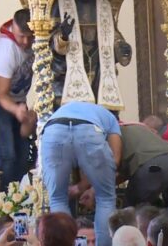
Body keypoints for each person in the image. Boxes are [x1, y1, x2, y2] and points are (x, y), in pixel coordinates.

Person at [50, 0, 132, 111]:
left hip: (97, 65)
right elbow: (50, 44)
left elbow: (113, 34)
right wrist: (63, 36)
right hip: (68, 70)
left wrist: (121, 46)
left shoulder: (103, 5)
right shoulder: (60, 4)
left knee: (102, 110)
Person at [41, 101, 122, 246]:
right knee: (105, 197)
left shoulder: (64, 109)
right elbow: (115, 161)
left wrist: (81, 186)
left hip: (53, 130)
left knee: (58, 199)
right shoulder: (111, 118)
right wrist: (90, 185)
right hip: (90, 130)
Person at [73, 122, 168, 208]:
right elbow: (123, 173)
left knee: (130, 213)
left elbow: (106, 167)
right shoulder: (133, 127)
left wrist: (78, 188)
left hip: (154, 168)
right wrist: (94, 190)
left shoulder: (109, 136)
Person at [0, 8, 36, 191]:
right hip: (0, 104)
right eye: (21, 36)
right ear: (14, 28)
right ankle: (1, 199)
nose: (25, 42)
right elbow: (1, 94)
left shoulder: (37, 38)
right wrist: (16, 110)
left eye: (29, 37)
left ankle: (18, 198)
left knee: (24, 154)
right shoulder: (6, 49)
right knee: (7, 154)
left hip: (19, 101)